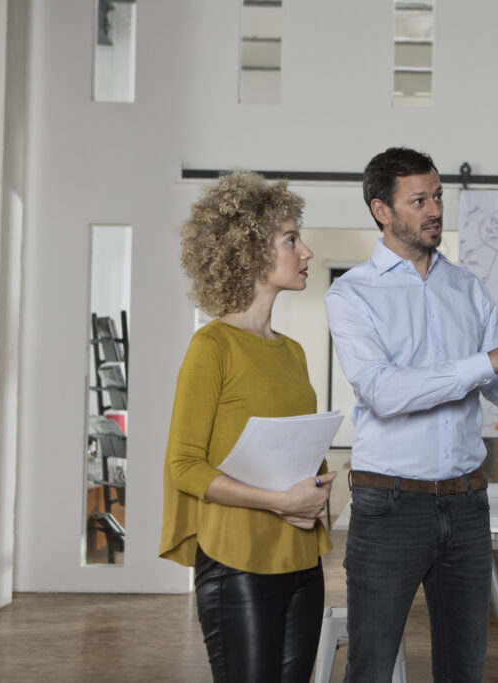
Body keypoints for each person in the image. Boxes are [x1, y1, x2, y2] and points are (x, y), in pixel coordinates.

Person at [325, 147, 498, 682]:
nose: (435, 209)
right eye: (419, 200)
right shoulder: (350, 294)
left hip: (465, 504)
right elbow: (385, 392)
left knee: (463, 669)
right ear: (382, 211)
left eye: (438, 195)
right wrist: (491, 359)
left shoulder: (466, 288)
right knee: (369, 668)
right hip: (388, 505)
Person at [159, 170, 337, 683]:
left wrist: (317, 489)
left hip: (302, 559)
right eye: (290, 239)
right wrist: (280, 502)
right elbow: (184, 466)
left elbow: (301, 453)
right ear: (251, 252)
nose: (305, 251)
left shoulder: (295, 352)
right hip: (236, 562)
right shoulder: (210, 347)